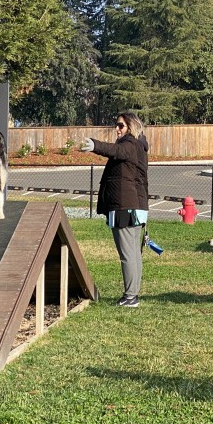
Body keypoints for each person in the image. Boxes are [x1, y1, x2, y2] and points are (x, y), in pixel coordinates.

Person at [79, 113, 149, 307]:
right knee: (133, 253)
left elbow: (115, 151)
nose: (117, 129)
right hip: (134, 206)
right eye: (116, 125)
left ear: (131, 127)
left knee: (128, 254)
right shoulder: (138, 145)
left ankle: (131, 296)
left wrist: (95, 145)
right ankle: (132, 295)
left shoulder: (130, 145)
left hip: (125, 206)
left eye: (121, 125)